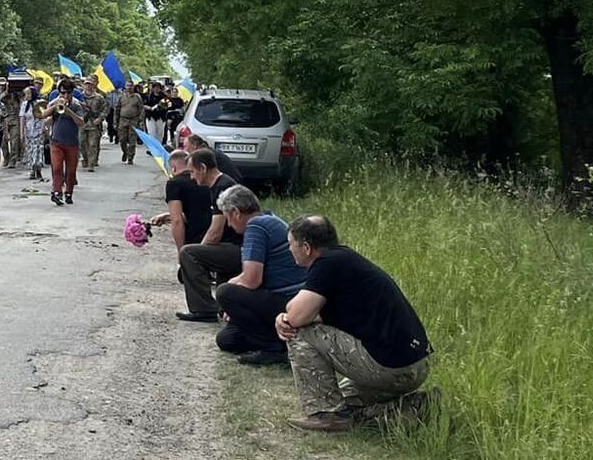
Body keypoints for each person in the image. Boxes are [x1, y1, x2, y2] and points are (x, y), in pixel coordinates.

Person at [277, 216, 437, 432]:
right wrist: (289, 315)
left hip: (388, 367)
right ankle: (413, 408)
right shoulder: (345, 260)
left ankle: (326, 415)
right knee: (345, 402)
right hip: (414, 365)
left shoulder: (327, 264)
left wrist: (285, 319)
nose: (289, 249)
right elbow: (322, 315)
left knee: (299, 332)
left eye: (290, 244)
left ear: (306, 247)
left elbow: (296, 318)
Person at [209, 185, 305, 364]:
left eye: (228, 218)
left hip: (288, 299)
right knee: (227, 339)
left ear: (236, 212)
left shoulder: (256, 226)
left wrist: (230, 292)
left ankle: (274, 348)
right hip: (287, 297)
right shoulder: (268, 219)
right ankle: (282, 340)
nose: (229, 224)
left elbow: (252, 280)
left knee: (224, 292)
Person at [170, 148, 242, 320]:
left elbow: (216, 232)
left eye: (192, 172)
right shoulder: (219, 184)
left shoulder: (222, 187)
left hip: (238, 248)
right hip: (233, 245)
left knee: (188, 252)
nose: (192, 178)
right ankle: (218, 306)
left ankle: (204, 309)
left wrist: (196, 253)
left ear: (203, 168)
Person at [45, 77, 84, 205]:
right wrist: (54, 108)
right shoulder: (54, 101)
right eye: (63, 93)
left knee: (71, 171)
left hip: (72, 142)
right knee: (56, 168)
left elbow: (81, 122)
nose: (65, 95)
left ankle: (68, 193)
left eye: (68, 92)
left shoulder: (76, 104)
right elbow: (43, 116)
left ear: (72, 92)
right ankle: (56, 192)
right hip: (56, 141)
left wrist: (69, 111)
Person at [78, 77, 106, 171]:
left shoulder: (99, 97)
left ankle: (91, 163)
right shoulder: (79, 97)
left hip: (94, 124)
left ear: (93, 85)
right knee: (82, 143)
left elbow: (105, 109)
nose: (88, 86)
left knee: (93, 144)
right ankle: (85, 159)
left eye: (90, 84)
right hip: (82, 123)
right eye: (86, 84)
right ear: (83, 85)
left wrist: (100, 118)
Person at [116, 83, 146, 164]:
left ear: (133, 87)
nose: (129, 87)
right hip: (123, 120)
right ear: (125, 87)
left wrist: (140, 120)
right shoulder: (121, 97)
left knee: (132, 141)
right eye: (127, 86)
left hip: (133, 120)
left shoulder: (137, 97)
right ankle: (125, 152)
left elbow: (141, 109)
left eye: (131, 86)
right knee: (122, 140)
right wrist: (115, 121)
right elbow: (117, 109)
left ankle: (130, 157)